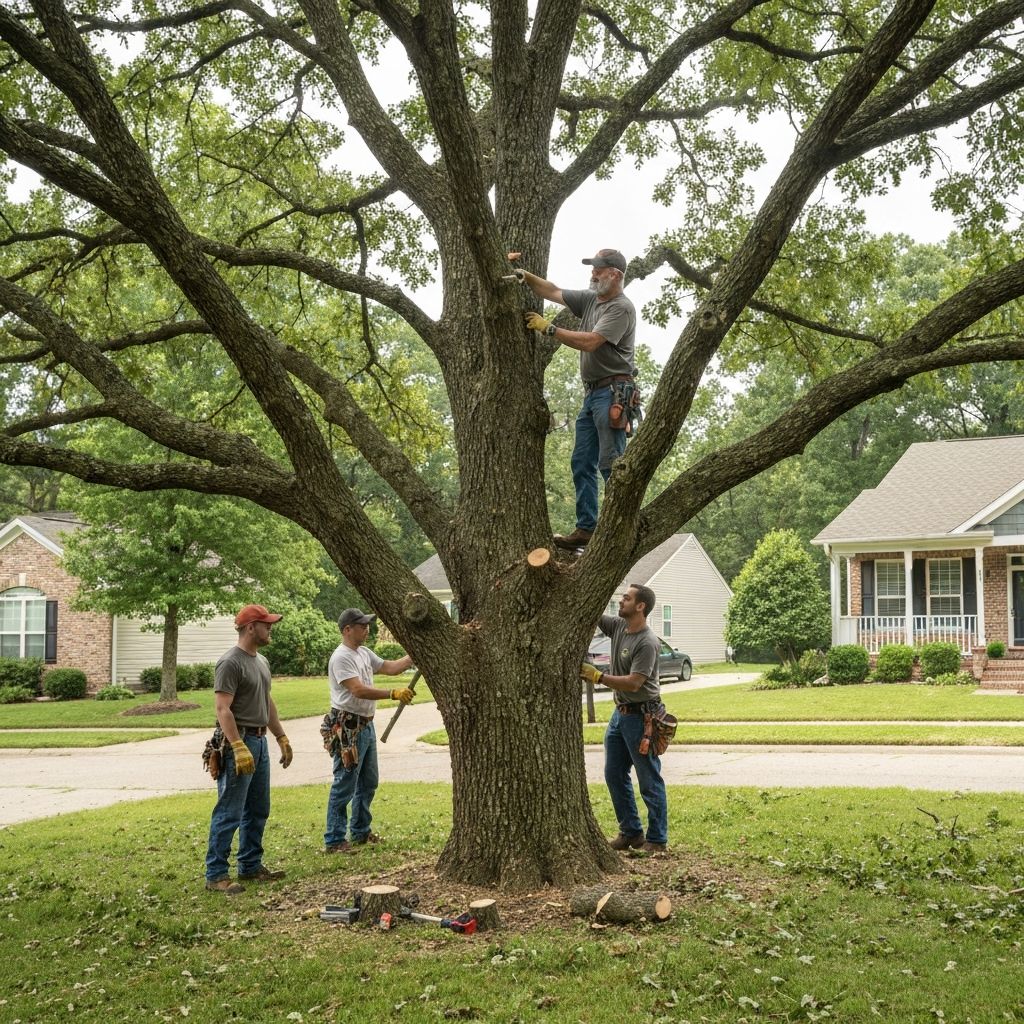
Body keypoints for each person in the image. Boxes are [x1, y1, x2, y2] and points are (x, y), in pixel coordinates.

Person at [510, 247, 637, 548]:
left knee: (611, 464)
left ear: (615, 274)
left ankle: (620, 529)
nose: (593, 273)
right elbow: (553, 291)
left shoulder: (621, 308)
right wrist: (525, 276)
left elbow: (591, 342)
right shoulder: (591, 299)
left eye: (598, 270)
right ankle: (586, 529)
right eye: (593, 268)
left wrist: (550, 329)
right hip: (592, 395)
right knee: (582, 462)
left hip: (613, 394)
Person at [204, 603, 293, 895]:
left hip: (259, 740)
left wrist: (280, 736)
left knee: (258, 808)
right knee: (230, 809)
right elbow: (222, 709)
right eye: (266, 624)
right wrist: (237, 746)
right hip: (239, 742)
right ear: (250, 627)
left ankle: (250, 866)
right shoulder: (230, 662)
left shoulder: (262, 661)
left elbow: (266, 702)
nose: (270, 628)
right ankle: (216, 874)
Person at [580, 583, 668, 853]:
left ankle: (657, 840)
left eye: (626, 598)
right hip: (620, 715)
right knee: (614, 773)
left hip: (643, 716)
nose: (620, 601)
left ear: (640, 606)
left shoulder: (647, 642)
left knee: (649, 778)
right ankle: (631, 833)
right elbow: (591, 611)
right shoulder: (618, 626)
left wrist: (598, 676)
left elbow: (634, 682)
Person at [324, 608, 415, 853]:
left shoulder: (363, 652)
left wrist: (413, 657)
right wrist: (392, 693)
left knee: (368, 781)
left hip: (366, 724)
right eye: (362, 626)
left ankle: (360, 831)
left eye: (367, 625)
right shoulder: (341, 657)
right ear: (347, 630)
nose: (367, 629)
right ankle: (334, 839)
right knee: (345, 782)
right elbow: (357, 689)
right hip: (348, 727)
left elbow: (389, 667)